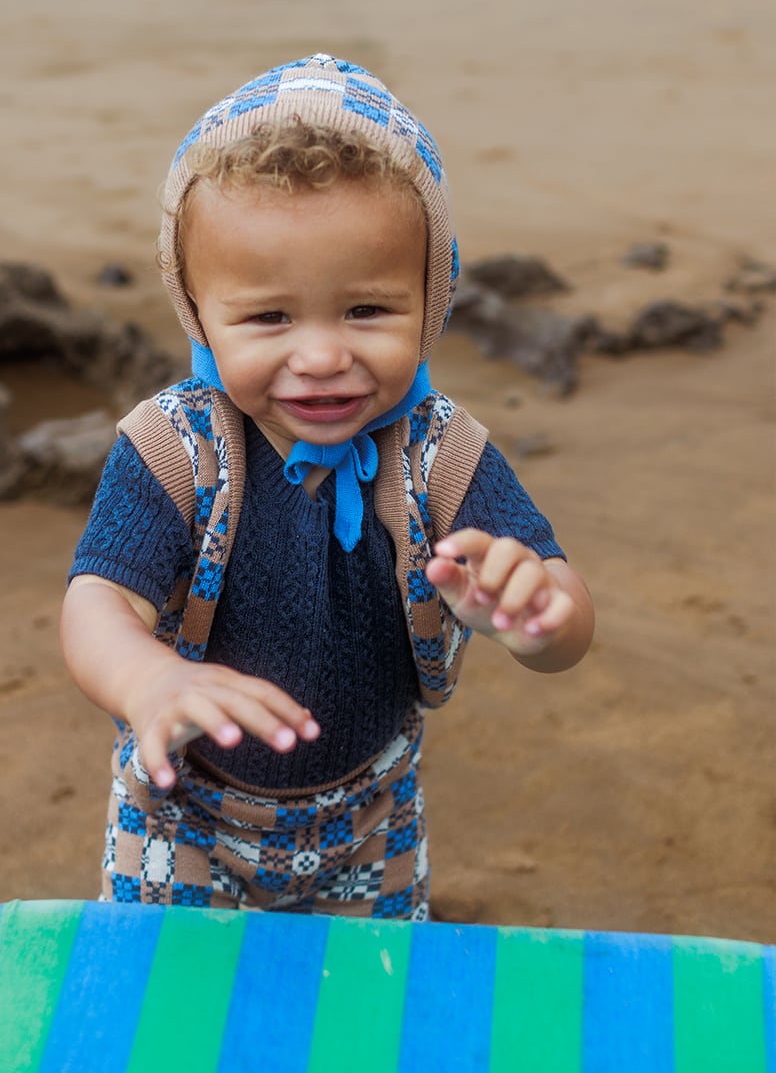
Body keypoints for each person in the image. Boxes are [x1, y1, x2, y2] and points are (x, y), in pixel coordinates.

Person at [60, 54, 594, 920]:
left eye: (366, 310)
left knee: (368, 991)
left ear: (431, 298)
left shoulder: (440, 452)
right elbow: (97, 602)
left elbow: (566, 624)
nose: (320, 355)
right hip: (182, 809)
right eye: (269, 316)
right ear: (200, 313)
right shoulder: (174, 447)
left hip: (372, 813)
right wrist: (145, 681)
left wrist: (539, 617)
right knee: (175, 989)